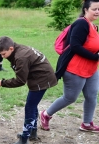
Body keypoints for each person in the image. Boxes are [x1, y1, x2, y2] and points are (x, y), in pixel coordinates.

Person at [40, 0, 99, 133]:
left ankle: (87, 123)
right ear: (86, 9)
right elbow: (75, 46)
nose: (97, 12)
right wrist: (96, 57)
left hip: (91, 68)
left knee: (92, 95)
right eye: (94, 9)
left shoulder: (93, 26)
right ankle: (46, 114)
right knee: (70, 97)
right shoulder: (81, 23)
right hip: (75, 68)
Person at [0, 36, 57, 144]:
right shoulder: (18, 50)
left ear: (11, 48)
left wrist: (1, 83)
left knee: (30, 107)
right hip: (41, 77)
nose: (2, 57)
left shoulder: (21, 57)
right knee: (33, 105)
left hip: (41, 80)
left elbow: (20, 81)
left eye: (4, 54)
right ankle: (32, 132)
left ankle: (24, 140)